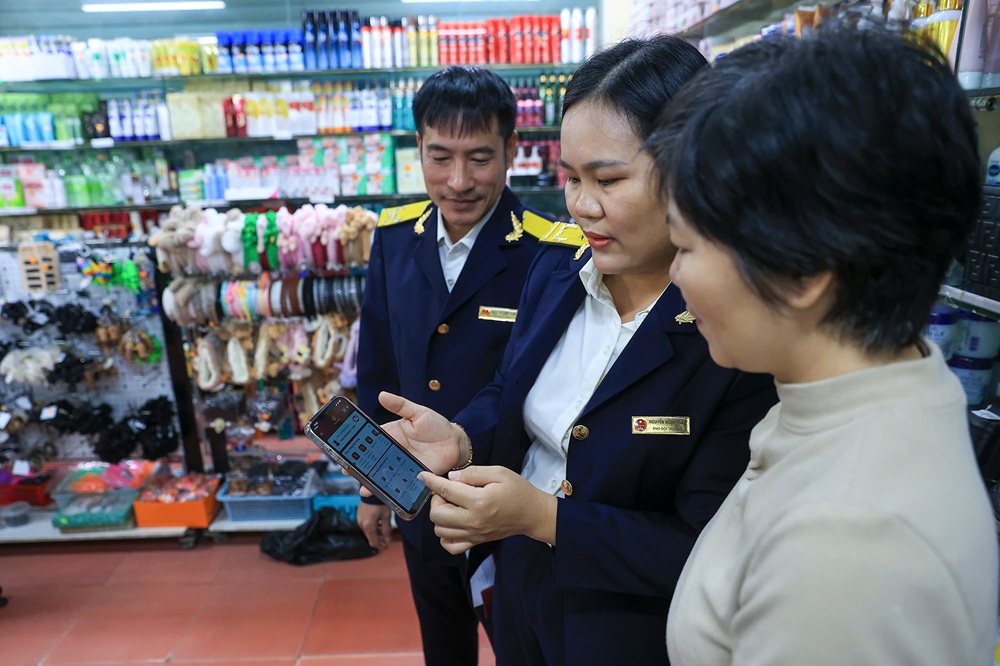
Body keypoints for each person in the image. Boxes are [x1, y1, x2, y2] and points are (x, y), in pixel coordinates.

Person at [369, 36, 778, 665]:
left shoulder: (732, 332)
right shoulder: (558, 271)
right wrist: (463, 439)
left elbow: (710, 546)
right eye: (570, 178)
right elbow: (511, 388)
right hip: (522, 600)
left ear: (692, 168)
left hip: (633, 633)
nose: (583, 206)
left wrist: (544, 518)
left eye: (608, 180)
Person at [646, 23, 1000, 665]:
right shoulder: (854, 391)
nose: (674, 275)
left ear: (801, 271)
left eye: (685, 246)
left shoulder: (847, 542)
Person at [355, 65, 561, 666]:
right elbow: (379, 369)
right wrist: (374, 487)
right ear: (418, 146)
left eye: (480, 158)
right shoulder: (394, 239)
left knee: (522, 643)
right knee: (442, 640)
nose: (459, 180)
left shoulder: (549, 251)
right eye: (440, 157)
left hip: (508, 500)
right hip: (416, 494)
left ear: (512, 150)